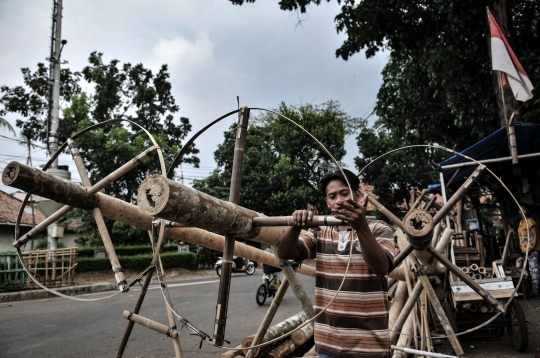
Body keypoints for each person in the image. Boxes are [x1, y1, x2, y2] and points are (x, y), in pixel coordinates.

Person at [277, 169, 395, 358]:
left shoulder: (378, 229)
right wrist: (294, 226)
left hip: (369, 346)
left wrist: (361, 227)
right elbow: (285, 254)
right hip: (328, 344)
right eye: (332, 196)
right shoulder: (321, 231)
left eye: (344, 193)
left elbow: (381, 268)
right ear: (327, 202)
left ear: (357, 194)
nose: (339, 200)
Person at [518, 204, 540, 296]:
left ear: (528, 211)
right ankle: (532, 289)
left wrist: (532, 248)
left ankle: (535, 290)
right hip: (525, 250)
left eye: (524, 210)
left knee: (534, 269)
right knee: (529, 270)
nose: (521, 211)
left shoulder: (530, 221)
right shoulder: (521, 223)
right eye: (520, 210)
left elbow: (535, 235)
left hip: (532, 250)